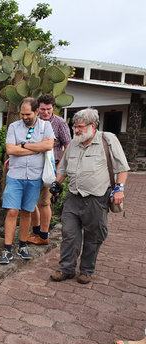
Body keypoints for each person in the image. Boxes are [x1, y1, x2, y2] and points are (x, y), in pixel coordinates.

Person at [50, 108, 129, 284]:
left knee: (94, 236)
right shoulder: (73, 144)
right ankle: (66, 268)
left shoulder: (107, 140)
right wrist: (57, 184)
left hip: (96, 198)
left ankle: (86, 270)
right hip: (73, 197)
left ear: (93, 126)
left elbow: (122, 168)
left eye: (80, 127)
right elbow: (62, 169)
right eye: (74, 127)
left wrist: (119, 189)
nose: (76, 130)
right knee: (69, 234)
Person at [0, 97, 55, 264]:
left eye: (28, 114)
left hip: (34, 176)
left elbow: (48, 146)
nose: (24, 117)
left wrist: (21, 146)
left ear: (36, 111)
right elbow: (10, 149)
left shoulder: (46, 126)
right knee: (12, 211)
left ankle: (22, 246)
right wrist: (34, 147)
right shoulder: (13, 127)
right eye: (22, 114)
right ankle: (7, 249)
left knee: (27, 212)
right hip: (15, 176)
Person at [27, 94, 71, 245]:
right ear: (37, 108)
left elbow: (68, 146)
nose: (45, 112)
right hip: (32, 168)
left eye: (48, 109)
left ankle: (44, 235)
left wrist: (59, 169)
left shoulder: (60, 123)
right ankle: (36, 231)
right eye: (42, 109)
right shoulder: (33, 122)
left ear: (53, 108)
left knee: (44, 203)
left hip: (50, 169)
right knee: (30, 202)